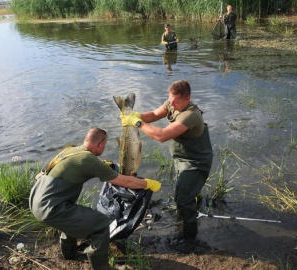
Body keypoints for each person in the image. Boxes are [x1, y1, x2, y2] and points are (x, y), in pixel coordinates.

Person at [29, 128, 161, 270]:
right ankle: (101, 267)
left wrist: (103, 165)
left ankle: (69, 254)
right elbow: (124, 182)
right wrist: (148, 183)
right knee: (101, 224)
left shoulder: (71, 150)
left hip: (36, 201)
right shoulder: (88, 159)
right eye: (105, 144)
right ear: (101, 143)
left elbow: (84, 165)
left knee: (69, 219)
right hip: (50, 209)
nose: (105, 147)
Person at [120, 80, 213, 253]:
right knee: (185, 192)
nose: (171, 104)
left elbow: (162, 136)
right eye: (170, 99)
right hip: (181, 158)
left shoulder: (191, 115)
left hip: (196, 162)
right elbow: (154, 115)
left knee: (183, 197)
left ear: (187, 99)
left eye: (175, 101)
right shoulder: (172, 103)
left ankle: (189, 237)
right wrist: (134, 116)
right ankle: (186, 212)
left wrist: (137, 123)